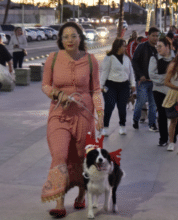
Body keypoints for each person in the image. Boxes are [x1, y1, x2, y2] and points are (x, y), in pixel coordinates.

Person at [40, 22, 103, 218]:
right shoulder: (53, 58)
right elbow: (45, 85)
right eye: (65, 36)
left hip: (84, 116)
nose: (69, 40)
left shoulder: (91, 60)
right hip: (59, 114)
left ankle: (81, 194)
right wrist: (57, 94)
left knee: (81, 158)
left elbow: (96, 90)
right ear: (60, 39)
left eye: (74, 36)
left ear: (80, 38)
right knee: (59, 154)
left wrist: (100, 113)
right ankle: (59, 202)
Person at [101, 39, 136, 136]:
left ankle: (122, 126)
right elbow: (104, 72)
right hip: (110, 85)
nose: (125, 48)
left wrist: (133, 84)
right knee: (109, 105)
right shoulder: (109, 58)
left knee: (122, 107)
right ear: (118, 47)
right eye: (124, 46)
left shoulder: (126, 58)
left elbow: (131, 73)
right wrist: (101, 85)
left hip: (124, 86)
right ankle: (105, 127)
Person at [148, 38, 176, 147]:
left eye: (160, 46)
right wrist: (167, 79)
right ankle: (163, 138)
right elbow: (152, 75)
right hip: (158, 90)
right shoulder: (154, 58)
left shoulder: (175, 58)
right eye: (157, 47)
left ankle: (173, 136)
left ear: (167, 47)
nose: (158, 49)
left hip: (173, 91)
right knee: (162, 114)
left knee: (175, 115)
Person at [131, 27, 159, 131]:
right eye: (153, 36)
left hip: (155, 82)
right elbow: (134, 61)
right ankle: (135, 119)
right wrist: (140, 75)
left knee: (153, 104)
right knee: (141, 100)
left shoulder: (158, 48)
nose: (155, 38)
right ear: (148, 36)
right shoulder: (141, 47)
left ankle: (152, 124)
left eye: (157, 36)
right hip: (143, 81)